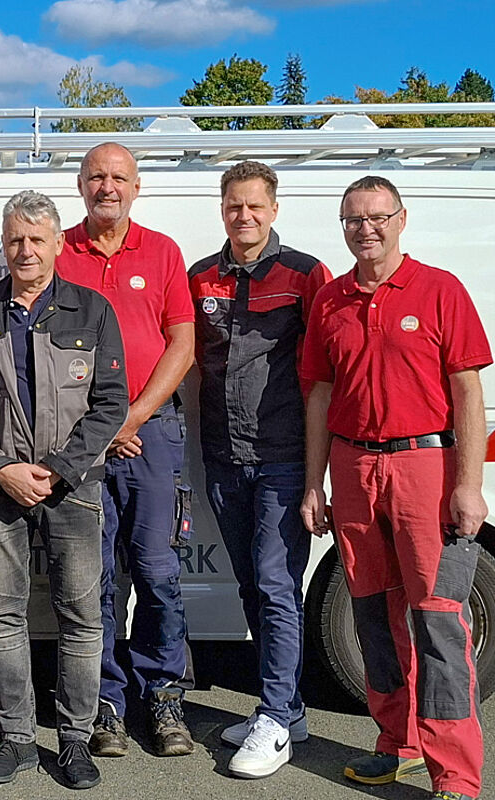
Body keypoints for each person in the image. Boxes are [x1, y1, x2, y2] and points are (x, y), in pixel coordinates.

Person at [300, 176, 489, 800]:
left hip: (424, 470)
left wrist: (468, 485)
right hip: (355, 473)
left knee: (437, 620)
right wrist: (314, 485)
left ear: (400, 219)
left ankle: (454, 774)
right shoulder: (330, 301)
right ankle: (397, 744)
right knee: (373, 618)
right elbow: (321, 396)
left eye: (377, 217)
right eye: (353, 219)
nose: (365, 229)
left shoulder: (440, 290)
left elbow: (467, 391)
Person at [0, 190, 128, 789]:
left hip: (72, 487)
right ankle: (17, 738)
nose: (25, 250)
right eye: (15, 240)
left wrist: (59, 469)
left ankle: (74, 741)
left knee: (81, 617)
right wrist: (0, 468)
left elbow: (109, 405)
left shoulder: (91, 310)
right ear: (5, 244)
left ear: (55, 245)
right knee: (2, 616)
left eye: (36, 240)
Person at [188, 161, 331, 778]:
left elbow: (327, 369)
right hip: (224, 457)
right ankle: (287, 708)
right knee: (248, 584)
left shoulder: (305, 275)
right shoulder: (201, 277)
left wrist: (317, 475)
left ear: (274, 210)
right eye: (232, 205)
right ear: (222, 209)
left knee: (276, 585)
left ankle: (273, 717)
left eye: (254, 206)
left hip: (283, 456)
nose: (243, 216)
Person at [55, 142, 196, 757]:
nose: (106, 187)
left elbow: (182, 345)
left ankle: (163, 699)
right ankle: (108, 705)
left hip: (153, 433)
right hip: (80, 440)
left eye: (118, 177)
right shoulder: (57, 249)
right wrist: (99, 426)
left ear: (136, 187)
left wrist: (130, 416)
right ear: (80, 186)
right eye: (95, 177)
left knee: (159, 573)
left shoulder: (162, 252)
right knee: (97, 579)